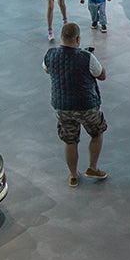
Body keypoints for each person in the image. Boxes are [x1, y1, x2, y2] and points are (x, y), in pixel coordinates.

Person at [44, 22, 108, 188]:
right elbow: (102, 75)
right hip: (86, 105)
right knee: (96, 133)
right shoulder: (86, 57)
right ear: (78, 39)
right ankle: (92, 168)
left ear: (61, 37)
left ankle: (73, 175)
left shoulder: (50, 54)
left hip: (62, 107)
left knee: (70, 141)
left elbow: (47, 69)